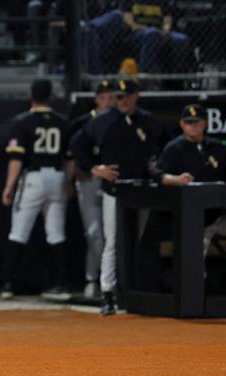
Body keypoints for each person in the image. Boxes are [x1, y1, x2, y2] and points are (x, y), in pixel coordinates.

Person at [70, 78, 169, 315]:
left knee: (141, 241)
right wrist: (95, 168)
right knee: (113, 240)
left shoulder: (149, 121)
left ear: (137, 96)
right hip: (114, 190)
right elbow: (77, 144)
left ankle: (140, 292)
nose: (122, 101)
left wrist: (156, 164)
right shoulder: (103, 121)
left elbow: (167, 145)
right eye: (119, 96)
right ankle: (107, 293)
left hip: (142, 190)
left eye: (126, 96)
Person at [0, 79, 72, 301]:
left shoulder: (23, 121)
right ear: (50, 96)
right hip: (58, 177)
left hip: (34, 177)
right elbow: (70, 159)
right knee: (56, 233)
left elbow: (16, 158)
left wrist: (9, 186)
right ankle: (61, 284)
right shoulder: (62, 122)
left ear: (32, 95)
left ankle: (7, 283)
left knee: (19, 232)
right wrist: (68, 184)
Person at [68, 79, 117, 300]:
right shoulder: (84, 122)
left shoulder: (120, 121)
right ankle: (92, 279)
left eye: (111, 97)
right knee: (94, 233)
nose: (107, 101)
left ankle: (107, 281)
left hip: (114, 180)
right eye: (103, 97)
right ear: (97, 99)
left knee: (112, 236)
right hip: (89, 179)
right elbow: (71, 154)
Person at [155, 104, 226, 255]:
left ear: (205, 123)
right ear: (181, 124)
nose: (192, 126)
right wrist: (176, 179)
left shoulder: (217, 147)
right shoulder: (174, 148)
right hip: (191, 216)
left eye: (196, 122)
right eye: (188, 122)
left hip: (219, 213)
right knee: (193, 259)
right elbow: (159, 176)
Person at [84, 0, 194, 75]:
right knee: (152, 34)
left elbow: (167, 17)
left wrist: (165, 31)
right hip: (136, 34)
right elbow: (127, 18)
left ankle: (176, 78)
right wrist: (143, 28)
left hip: (159, 32)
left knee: (181, 40)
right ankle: (144, 76)